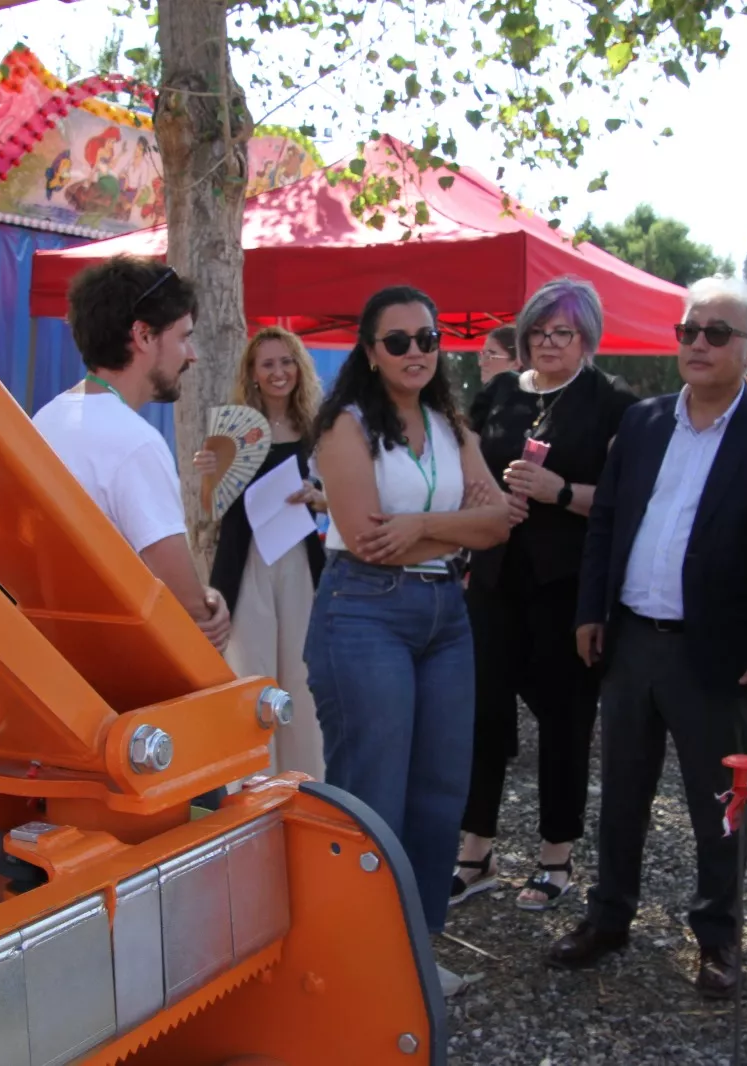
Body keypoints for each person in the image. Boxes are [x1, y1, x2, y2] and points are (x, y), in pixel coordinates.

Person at [547, 276, 747, 999]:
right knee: (622, 793)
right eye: (688, 331)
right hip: (632, 641)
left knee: (718, 808)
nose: (697, 344)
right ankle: (609, 918)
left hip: (718, 655)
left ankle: (719, 939)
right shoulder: (644, 422)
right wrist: (590, 610)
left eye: (716, 333)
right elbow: (606, 521)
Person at [303, 285, 509, 995]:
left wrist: (421, 527)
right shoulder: (346, 425)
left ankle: (414, 952)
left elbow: (501, 521)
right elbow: (365, 538)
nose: (416, 352)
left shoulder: (451, 424)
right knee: (373, 794)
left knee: (439, 792)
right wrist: (455, 524)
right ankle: (358, 957)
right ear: (369, 351)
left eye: (427, 338)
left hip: (443, 612)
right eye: (398, 341)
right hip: (364, 612)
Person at [451, 278, 637, 911]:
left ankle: (556, 854)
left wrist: (558, 491)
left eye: (564, 332)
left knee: (564, 721)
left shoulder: (612, 401)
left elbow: (621, 503)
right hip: (495, 580)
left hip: (565, 588)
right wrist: (486, 499)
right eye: (538, 332)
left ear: (587, 337)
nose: (549, 343)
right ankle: (475, 851)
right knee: (483, 715)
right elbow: (465, 471)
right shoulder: (500, 393)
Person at [33, 256, 230, 649]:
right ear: (142, 335)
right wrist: (210, 606)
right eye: (183, 337)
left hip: (52, 652)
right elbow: (186, 606)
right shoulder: (135, 442)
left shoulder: (47, 418)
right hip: (118, 663)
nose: (192, 355)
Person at [192, 327, 328, 778]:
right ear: (252, 373)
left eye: (286, 361)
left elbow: (336, 495)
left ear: (299, 367)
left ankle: (307, 783)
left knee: (303, 682)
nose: (278, 372)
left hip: (300, 562)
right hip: (245, 563)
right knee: (251, 676)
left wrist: (317, 496)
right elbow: (212, 508)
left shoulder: (316, 427)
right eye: (267, 364)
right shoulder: (234, 430)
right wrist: (210, 472)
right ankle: (252, 788)